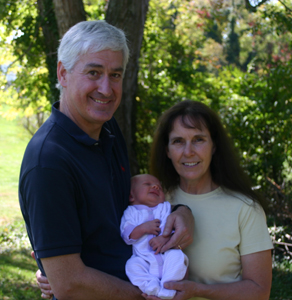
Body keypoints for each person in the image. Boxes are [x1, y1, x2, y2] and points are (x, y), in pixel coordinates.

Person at [18, 20, 193, 300]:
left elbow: (130, 200)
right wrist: (149, 296)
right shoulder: (48, 164)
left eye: (115, 75)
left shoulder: (108, 129)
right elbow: (70, 284)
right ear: (63, 73)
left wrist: (183, 212)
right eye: (93, 72)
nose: (106, 88)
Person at [146, 100, 273, 300]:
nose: (188, 151)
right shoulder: (153, 202)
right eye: (178, 141)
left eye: (198, 139)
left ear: (214, 146)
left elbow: (259, 291)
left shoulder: (245, 209)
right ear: (167, 151)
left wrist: (198, 291)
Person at [121, 174, 189, 299]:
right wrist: (142, 228)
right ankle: (150, 284)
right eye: (147, 184)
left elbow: (175, 228)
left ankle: (167, 285)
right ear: (131, 196)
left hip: (166, 255)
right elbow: (127, 235)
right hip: (143, 259)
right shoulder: (131, 212)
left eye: (160, 187)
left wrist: (165, 238)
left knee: (178, 256)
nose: (155, 186)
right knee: (131, 265)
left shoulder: (165, 208)